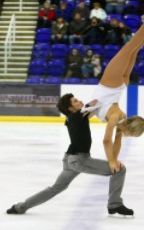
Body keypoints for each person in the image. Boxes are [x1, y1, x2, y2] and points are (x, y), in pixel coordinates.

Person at [6, 93, 134, 216]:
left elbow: (93, 109)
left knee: (55, 188)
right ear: (70, 108)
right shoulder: (78, 115)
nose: (79, 101)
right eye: (75, 101)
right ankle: (114, 204)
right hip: (79, 160)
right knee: (119, 170)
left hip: (70, 160)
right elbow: (96, 103)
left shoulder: (73, 118)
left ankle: (20, 207)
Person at [82, 0, 144, 173]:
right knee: (130, 48)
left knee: (133, 49)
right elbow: (108, 141)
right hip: (110, 84)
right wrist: (112, 161)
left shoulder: (120, 121)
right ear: (130, 129)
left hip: (120, 85)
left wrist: (113, 161)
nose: (131, 137)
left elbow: (114, 143)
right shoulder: (116, 119)